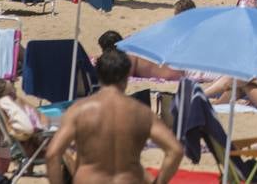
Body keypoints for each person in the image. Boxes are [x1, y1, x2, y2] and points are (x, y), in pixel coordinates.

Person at [44, 48, 183, 184]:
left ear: (98, 74)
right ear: (127, 76)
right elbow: (175, 151)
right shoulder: (142, 112)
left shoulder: (79, 111)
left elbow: (52, 154)